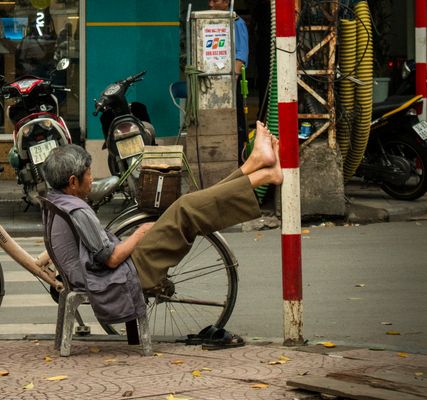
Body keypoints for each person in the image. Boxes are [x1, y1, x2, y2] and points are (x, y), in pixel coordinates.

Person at [42, 122, 282, 335]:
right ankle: (262, 175)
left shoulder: (58, 201)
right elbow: (112, 259)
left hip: (110, 271)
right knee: (186, 208)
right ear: (73, 182)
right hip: (119, 274)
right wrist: (138, 233)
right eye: (89, 175)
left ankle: (255, 165)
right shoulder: (78, 210)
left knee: (188, 205)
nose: (92, 179)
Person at [208, 0, 249, 161]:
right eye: (210, 0)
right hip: (220, 79)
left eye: (214, 0)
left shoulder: (237, 23)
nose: (211, 4)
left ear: (226, 2)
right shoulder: (219, 24)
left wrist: (234, 79)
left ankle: (240, 156)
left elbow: (241, 53)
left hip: (234, 79)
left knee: (237, 120)